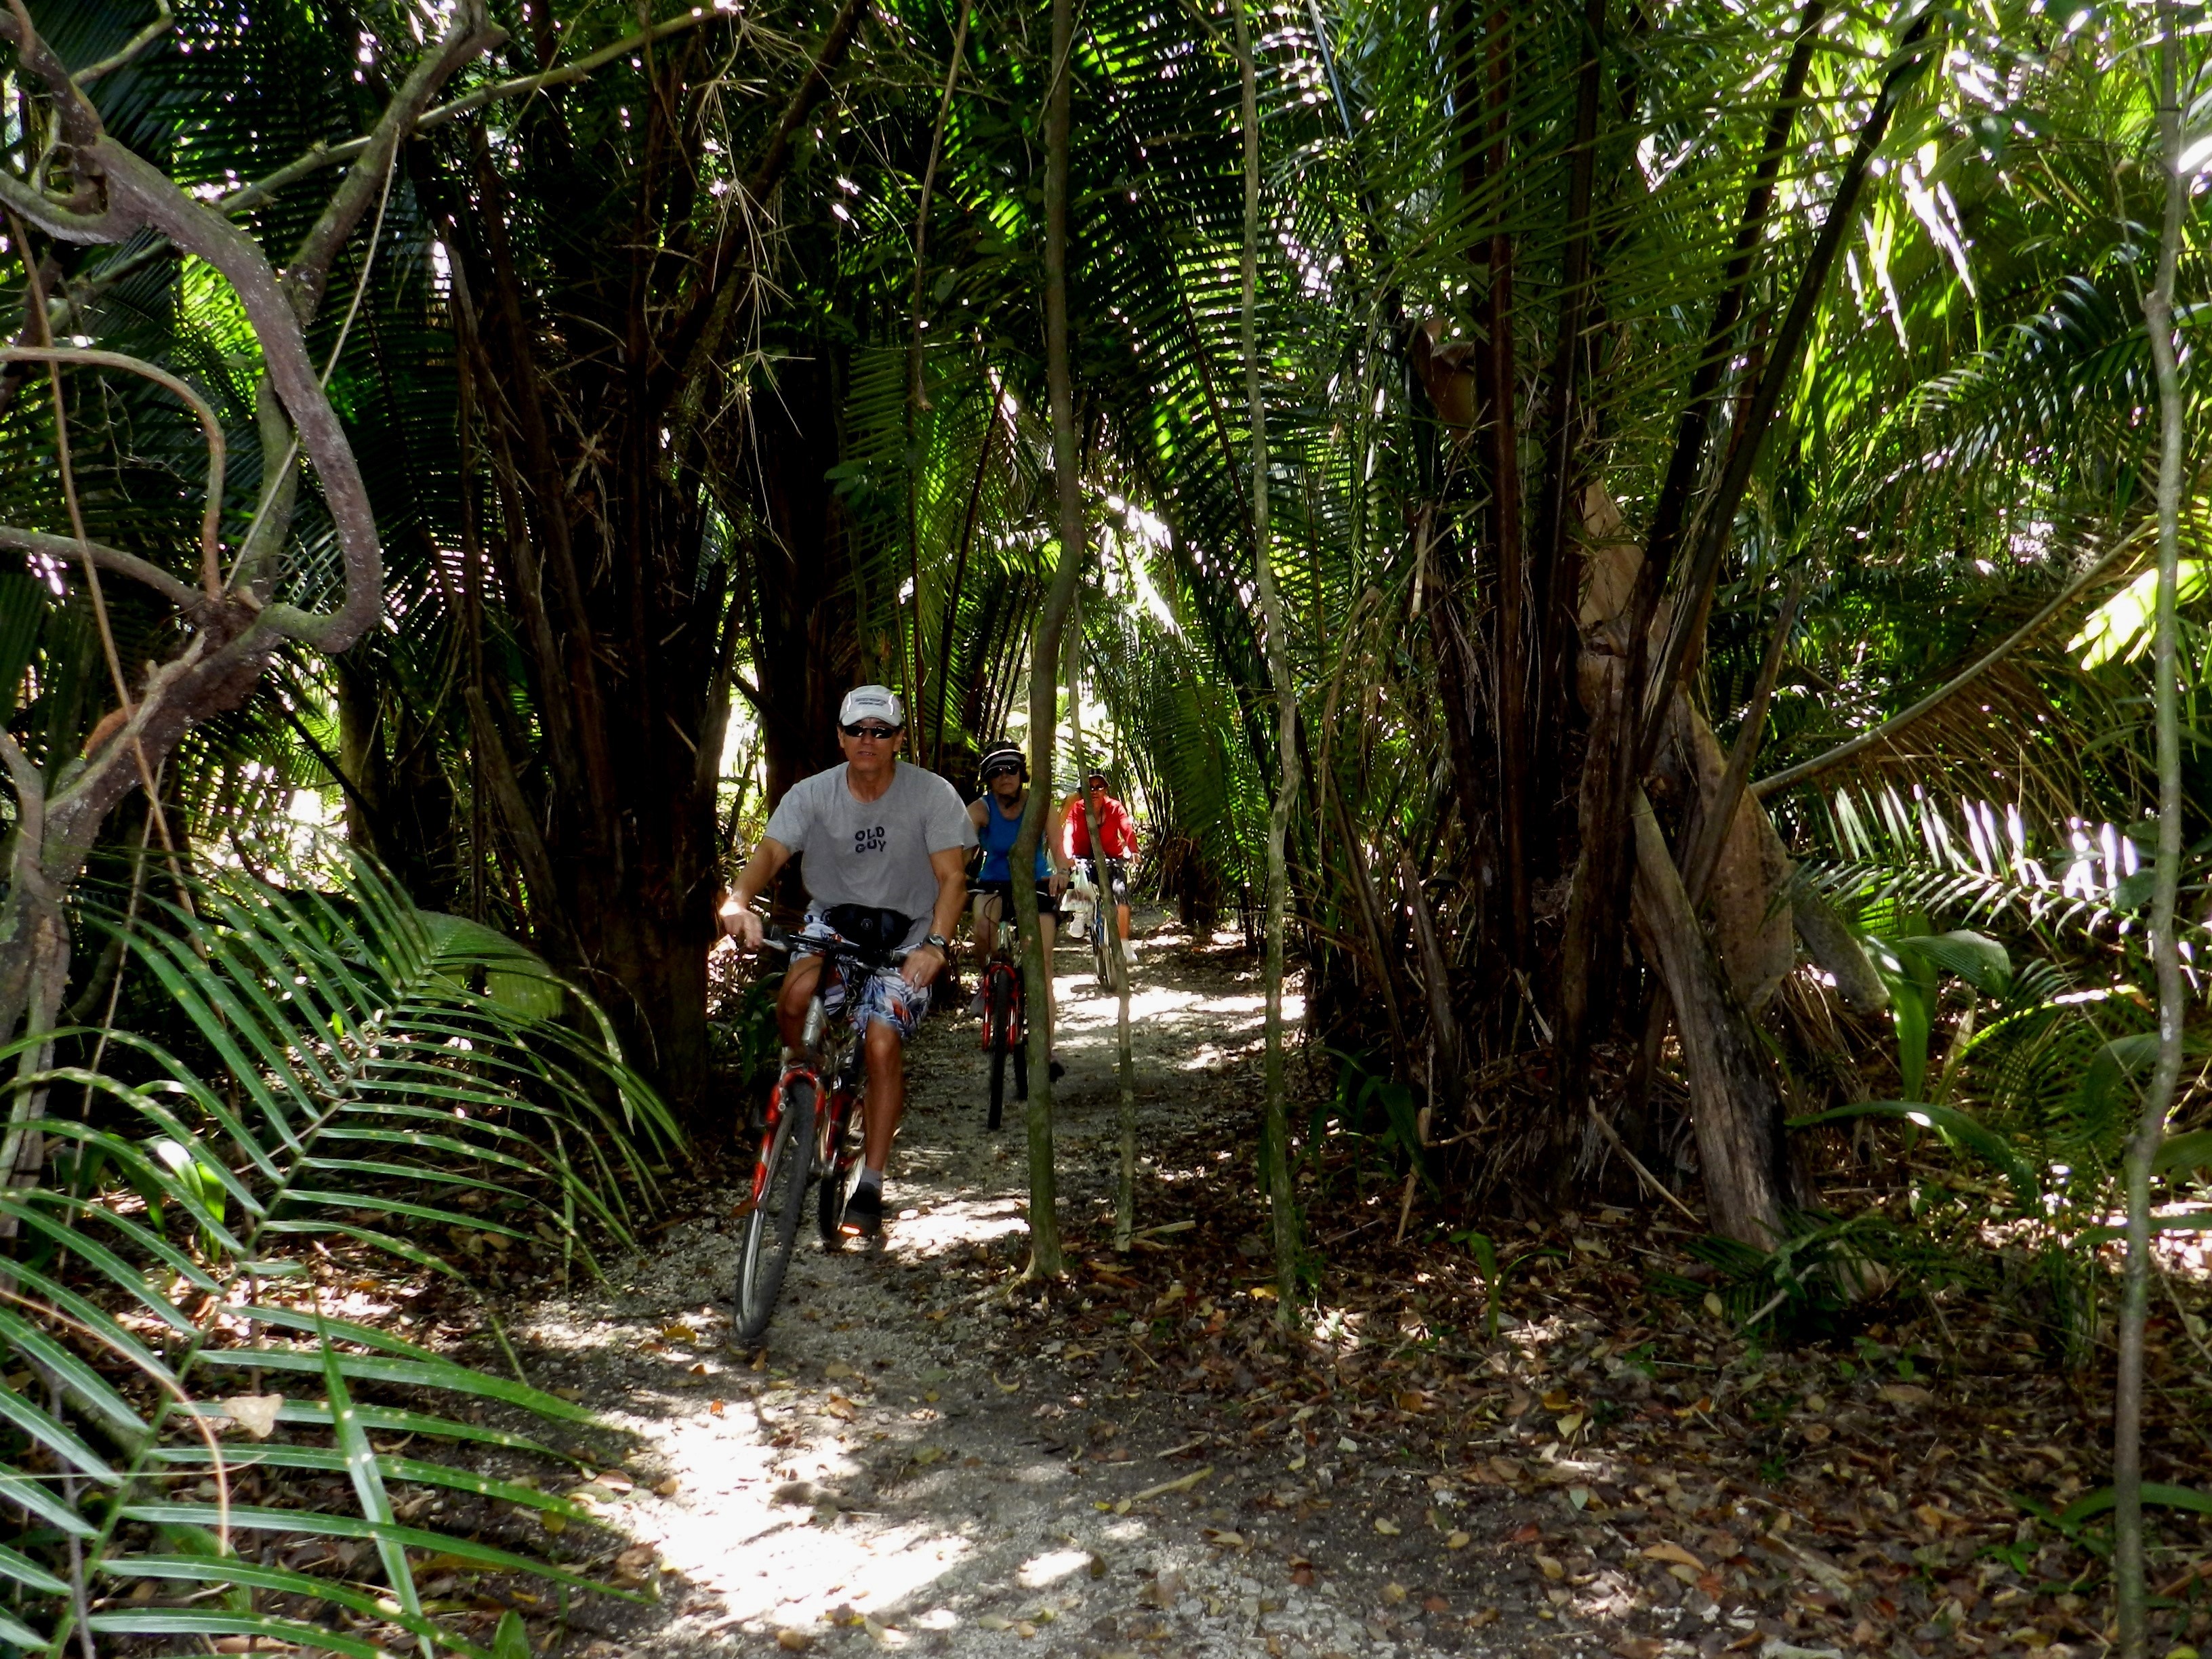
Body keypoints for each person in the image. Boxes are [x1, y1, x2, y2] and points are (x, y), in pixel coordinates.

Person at [718, 686, 972, 1237]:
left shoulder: (931, 795)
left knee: (882, 1041)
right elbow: (771, 852)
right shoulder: (813, 794)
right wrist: (737, 901)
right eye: (858, 730)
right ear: (840, 736)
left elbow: (954, 878)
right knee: (792, 996)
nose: (868, 740)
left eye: (881, 731)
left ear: (898, 739)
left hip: (906, 933)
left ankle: (872, 1182)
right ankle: (799, 1075)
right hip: (833, 922)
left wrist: (937, 946)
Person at [967, 746, 1071, 1071]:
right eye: (996, 773)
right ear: (988, 780)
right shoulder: (980, 809)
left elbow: (1058, 848)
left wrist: (1063, 874)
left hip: (1036, 885)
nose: (1004, 777)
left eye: (1011, 769)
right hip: (994, 885)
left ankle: (1047, 1049)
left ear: (1021, 773)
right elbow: (962, 850)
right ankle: (990, 982)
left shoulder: (1040, 806)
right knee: (982, 927)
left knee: (1043, 969)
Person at [1060, 768, 1139, 966]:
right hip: (1082, 857)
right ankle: (1078, 915)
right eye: (1090, 787)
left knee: (1121, 895)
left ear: (1106, 789)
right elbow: (1068, 832)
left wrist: (1134, 850)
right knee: (1077, 878)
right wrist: (1068, 855)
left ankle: (1124, 944)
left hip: (1111, 858)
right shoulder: (1077, 808)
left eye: (1099, 787)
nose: (1094, 791)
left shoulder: (1115, 807)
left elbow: (1126, 828)